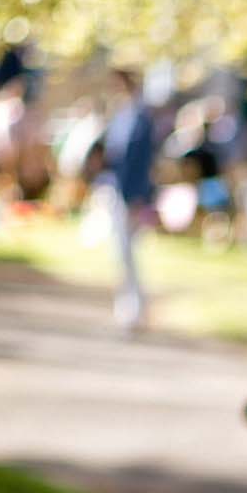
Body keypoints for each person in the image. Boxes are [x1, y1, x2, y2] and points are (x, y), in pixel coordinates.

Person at [100, 67, 156, 329]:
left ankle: (134, 309)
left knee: (128, 252)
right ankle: (129, 306)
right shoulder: (121, 116)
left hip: (131, 194)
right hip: (115, 189)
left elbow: (141, 161)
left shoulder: (141, 118)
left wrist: (138, 196)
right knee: (120, 253)